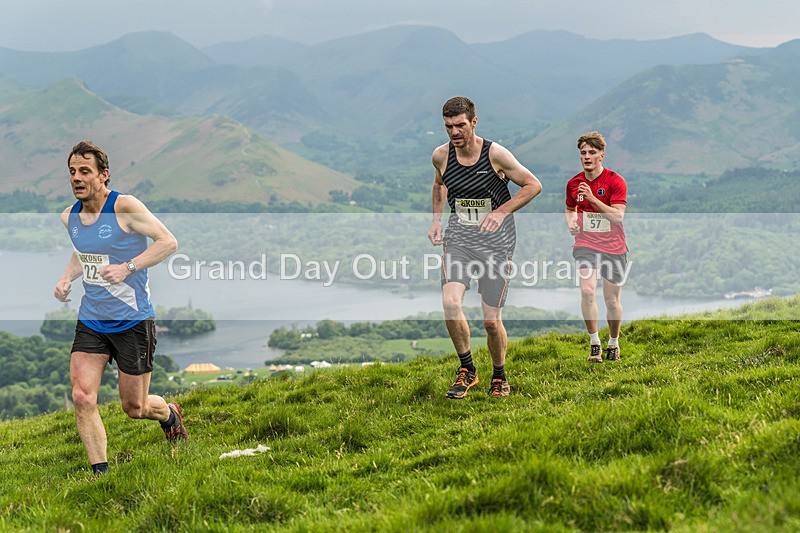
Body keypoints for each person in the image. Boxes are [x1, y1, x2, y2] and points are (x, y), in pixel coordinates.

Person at [54, 140, 185, 476]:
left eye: (85, 171)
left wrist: (128, 267)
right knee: (82, 396)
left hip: (132, 320)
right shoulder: (70, 216)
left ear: (103, 175)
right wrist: (66, 278)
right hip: (92, 319)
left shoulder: (124, 206)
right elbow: (83, 253)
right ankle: (101, 475)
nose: (77, 178)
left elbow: (168, 242)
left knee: (135, 407)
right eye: (72, 171)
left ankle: (170, 414)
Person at [428, 96, 541, 399]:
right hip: (460, 240)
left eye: (460, 125)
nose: (454, 132)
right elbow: (439, 184)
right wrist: (436, 220)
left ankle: (499, 375)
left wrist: (501, 212)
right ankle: (467, 369)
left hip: (496, 245)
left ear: (474, 122)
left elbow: (533, 185)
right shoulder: (441, 156)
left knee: (491, 322)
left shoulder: (495, 155)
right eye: (449, 126)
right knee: (450, 302)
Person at [565, 131, 629, 363]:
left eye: (592, 152)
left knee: (611, 301)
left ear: (602, 154)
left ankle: (613, 343)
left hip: (613, 247)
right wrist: (571, 223)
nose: (587, 157)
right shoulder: (573, 183)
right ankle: (594, 344)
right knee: (587, 291)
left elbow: (617, 217)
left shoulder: (615, 181)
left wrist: (592, 199)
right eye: (583, 153)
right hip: (586, 244)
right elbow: (569, 208)